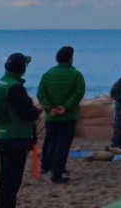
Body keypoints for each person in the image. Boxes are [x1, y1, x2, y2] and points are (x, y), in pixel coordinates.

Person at [0, 53, 42, 208]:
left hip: (4, 137)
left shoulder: (2, 82)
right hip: (15, 139)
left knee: (5, 180)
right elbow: (25, 113)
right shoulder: (15, 87)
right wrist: (37, 111)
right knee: (12, 181)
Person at [37, 46, 86, 183]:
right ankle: (57, 172)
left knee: (50, 141)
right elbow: (79, 92)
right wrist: (66, 107)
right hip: (68, 116)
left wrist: (50, 109)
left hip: (51, 117)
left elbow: (41, 94)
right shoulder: (76, 75)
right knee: (62, 145)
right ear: (71, 59)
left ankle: (46, 166)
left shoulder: (47, 75)